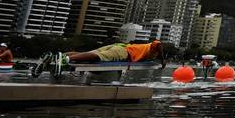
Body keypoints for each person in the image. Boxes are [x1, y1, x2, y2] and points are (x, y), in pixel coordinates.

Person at [31, 40, 164, 77]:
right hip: (123, 52)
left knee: (87, 55)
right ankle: (65, 59)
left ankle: (55, 57)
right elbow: (158, 43)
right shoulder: (153, 48)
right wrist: (163, 61)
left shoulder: (146, 50)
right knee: (98, 56)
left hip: (119, 46)